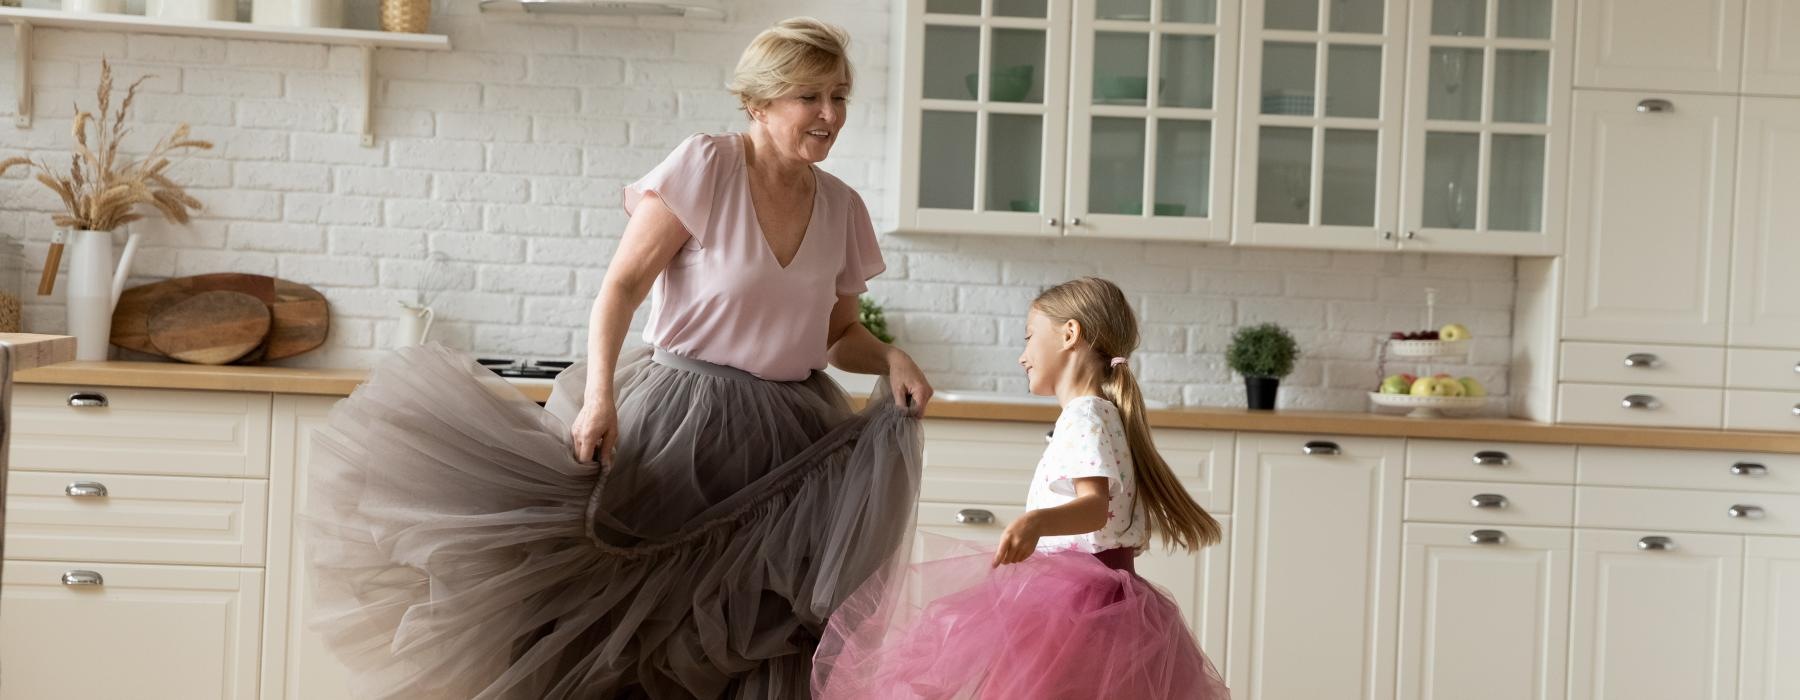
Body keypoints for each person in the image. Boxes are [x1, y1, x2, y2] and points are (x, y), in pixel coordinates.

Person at [306, 17, 933, 699]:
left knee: (760, 639)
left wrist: (890, 356)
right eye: (809, 96)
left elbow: (841, 335)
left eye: (839, 97)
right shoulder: (708, 165)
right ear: (758, 101)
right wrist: (599, 396)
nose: (829, 114)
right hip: (683, 422)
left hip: (790, 445)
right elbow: (623, 288)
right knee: (639, 626)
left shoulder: (842, 207)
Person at [812, 277, 1230, 700]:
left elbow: (1093, 507)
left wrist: (1035, 522)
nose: (1022, 356)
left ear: (1070, 334)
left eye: (1029, 338)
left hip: (1077, 606)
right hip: (1095, 601)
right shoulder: (1096, 413)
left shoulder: (1085, 415)